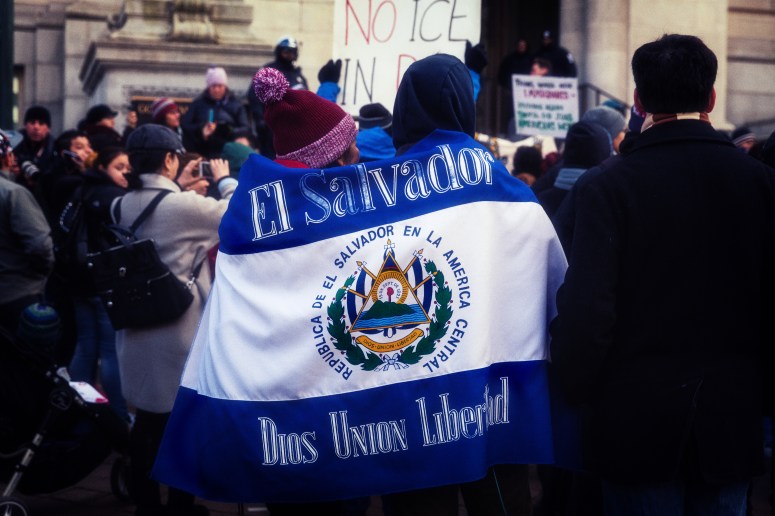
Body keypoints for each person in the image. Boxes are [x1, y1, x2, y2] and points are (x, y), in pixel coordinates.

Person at [549, 34, 775, 515]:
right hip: (730, 418)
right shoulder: (757, 181)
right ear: (711, 99)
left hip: (634, 422)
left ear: (638, 100)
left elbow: (588, 312)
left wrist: (575, 387)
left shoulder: (607, 185)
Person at [117, 124, 236, 516]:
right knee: (181, 426)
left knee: (147, 424)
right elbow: (236, 218)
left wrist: (180, 187)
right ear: (170, 159)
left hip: (135, 328)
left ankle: (146, 506)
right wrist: (224, 179)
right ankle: (180, 507)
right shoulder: (185, 207)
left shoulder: (120, 205)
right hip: (179, 331)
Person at [67, 146, 131, 422]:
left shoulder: (82, 189)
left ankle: (75, 409)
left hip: (79, 280)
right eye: (119, 167)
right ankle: (117, 417)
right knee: (110, 352)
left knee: (85, 346)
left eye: (129, 166)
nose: (126, 172)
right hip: (104, 282)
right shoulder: (113, 197)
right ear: (104, 167)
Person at [0, 130, 55, 334]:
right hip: (17, 296)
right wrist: (39, 274)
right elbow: (40, 246)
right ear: (8, 157)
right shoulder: (14, 193)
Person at [247, 36, 309, 158]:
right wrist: (260, 118)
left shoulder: (298, 75)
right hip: (272, 127)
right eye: (286, 52)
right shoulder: (268, 71)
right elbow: (253, 94)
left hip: (295, 128)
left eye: (292, 52)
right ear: (279, 52)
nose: (289, 55)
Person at [181, 66, 250, 159]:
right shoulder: (197, 104)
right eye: (213, 86)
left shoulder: (236, 105)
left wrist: (228, 130)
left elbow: (245, 127)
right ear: (209, 87)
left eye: (220, 86)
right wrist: (202, 129)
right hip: (204, 152)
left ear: (225, 86)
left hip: (229, 151)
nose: (216, 90)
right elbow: (185, 125)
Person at [13, 105, 55, 189]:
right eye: (32, 122)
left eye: (41, 123)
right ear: (25, 125)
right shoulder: (14, 145)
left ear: (48, 128)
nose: (36, 127)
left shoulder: (54, 149)